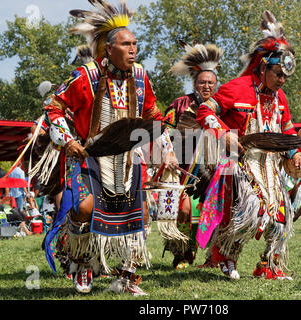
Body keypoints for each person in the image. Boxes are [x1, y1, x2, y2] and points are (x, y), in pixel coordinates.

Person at [39, 0, 177, 295]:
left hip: (128, 156)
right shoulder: (85, 76)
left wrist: (167, 147)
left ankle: (127, 275)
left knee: (141, 212)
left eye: (135, 44)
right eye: (126, 44)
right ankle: (81, 262)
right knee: (85, 207)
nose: (133, 50)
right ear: (109, 49)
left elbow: (154, 116)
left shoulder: (140, 78)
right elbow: (53, 106)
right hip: (89, 154)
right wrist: (69, 140)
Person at [195, 11, 301, 280]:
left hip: (270, 165)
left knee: (280, 219)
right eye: (278, 74)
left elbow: (286, 129)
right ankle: (224, 255)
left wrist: (294, 152)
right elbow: (204, 111)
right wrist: (223, 133)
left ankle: (268, 266)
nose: (282, 80)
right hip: (239, 164)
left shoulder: (280, 98)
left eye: (285, 77)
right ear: (264, 67)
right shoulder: (238, 88)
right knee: (251, 212)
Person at [161, 40, 223, 270]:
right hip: (183, 167)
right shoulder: (180, 104)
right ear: (195, 83)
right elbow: (164, 130)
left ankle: (213, 256)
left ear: (216, 85)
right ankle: (181, 252)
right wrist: (169, 154)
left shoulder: (221, 106)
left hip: (214, 168)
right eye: (202, 82)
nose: (206, 86)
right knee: (183, 210)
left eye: (210, 83)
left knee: (214, 211)